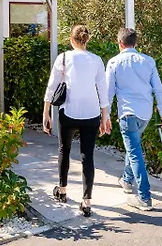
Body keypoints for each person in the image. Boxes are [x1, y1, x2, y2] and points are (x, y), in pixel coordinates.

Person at [43, 25, 110, 217]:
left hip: (68, 112)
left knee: (64, 149)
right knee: (87, 156)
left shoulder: (64, 57)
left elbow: (52, 86)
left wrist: (46, 112)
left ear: (72, 40)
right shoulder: (96, 60)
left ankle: (62, 190)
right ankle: (86, 202)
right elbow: (102, 89)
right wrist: (105, 116)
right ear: (87, 40)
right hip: (92, 113)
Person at [106, 28, 162, 211]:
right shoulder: (148, 61)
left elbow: (108, 92)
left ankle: (144, 197)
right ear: (135, 43)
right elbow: (158, 89)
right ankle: (127, 180)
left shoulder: (114, 62)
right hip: (145, 114)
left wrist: (105, 116)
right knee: (133, 146)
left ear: (120, 43)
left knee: (134, 152)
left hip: (127, 114)